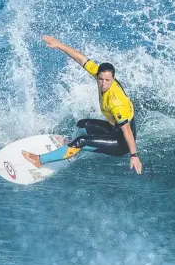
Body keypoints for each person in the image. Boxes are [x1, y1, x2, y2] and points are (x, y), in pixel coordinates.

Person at [21, 35, 143, 174]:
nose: (103, 83)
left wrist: (134, 156)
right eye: (101, 79)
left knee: (82, 141)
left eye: (107, 80)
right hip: (113, 128)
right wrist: (59, 44)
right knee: (82, 124)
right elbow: (81, 59)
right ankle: (70, 148)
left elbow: (126, 130)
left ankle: (39, 160)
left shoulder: (116, 103)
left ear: (113, 79)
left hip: (122, 143)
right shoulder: (99, 74)